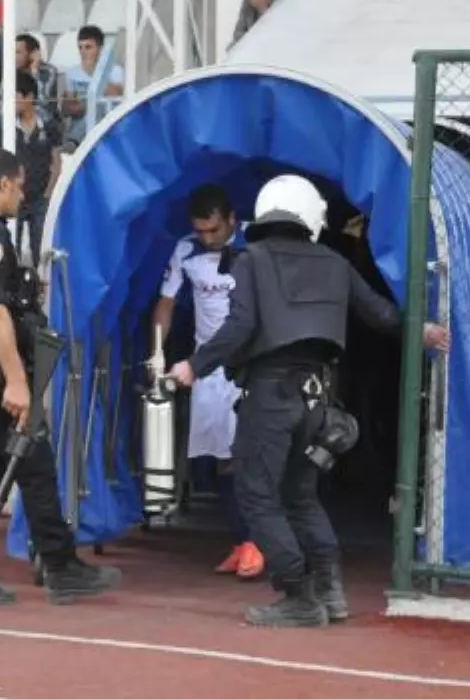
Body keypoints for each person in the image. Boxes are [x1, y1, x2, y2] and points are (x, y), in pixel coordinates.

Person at [167, 175, 449, 628]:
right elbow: (379, 313)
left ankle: (297, 594)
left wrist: (192, 366)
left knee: (257, 495)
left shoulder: (251, 260)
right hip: (319, 399)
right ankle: (330, 592)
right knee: (301, 495)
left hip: (268, 393)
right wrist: (422, 331)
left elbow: (239, 328)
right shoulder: (335, 263)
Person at [0, 149, 120, 608]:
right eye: (20, 186)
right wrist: (16, 381)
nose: (22, 195)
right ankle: (37, 568)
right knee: (25, 465)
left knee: (5, 467)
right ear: (3, 183)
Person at [152, 185, 262, 579]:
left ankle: (259, 543)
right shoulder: (185, 250)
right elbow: (165, 305)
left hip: (252, 370)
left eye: (214, 230)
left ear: (232, 219)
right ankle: (242, 541)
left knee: (248, 458)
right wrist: (157, 352)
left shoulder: (258, 241)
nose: (207, 239)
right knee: (221, 461)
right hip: (207, 369)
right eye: (201, 231)